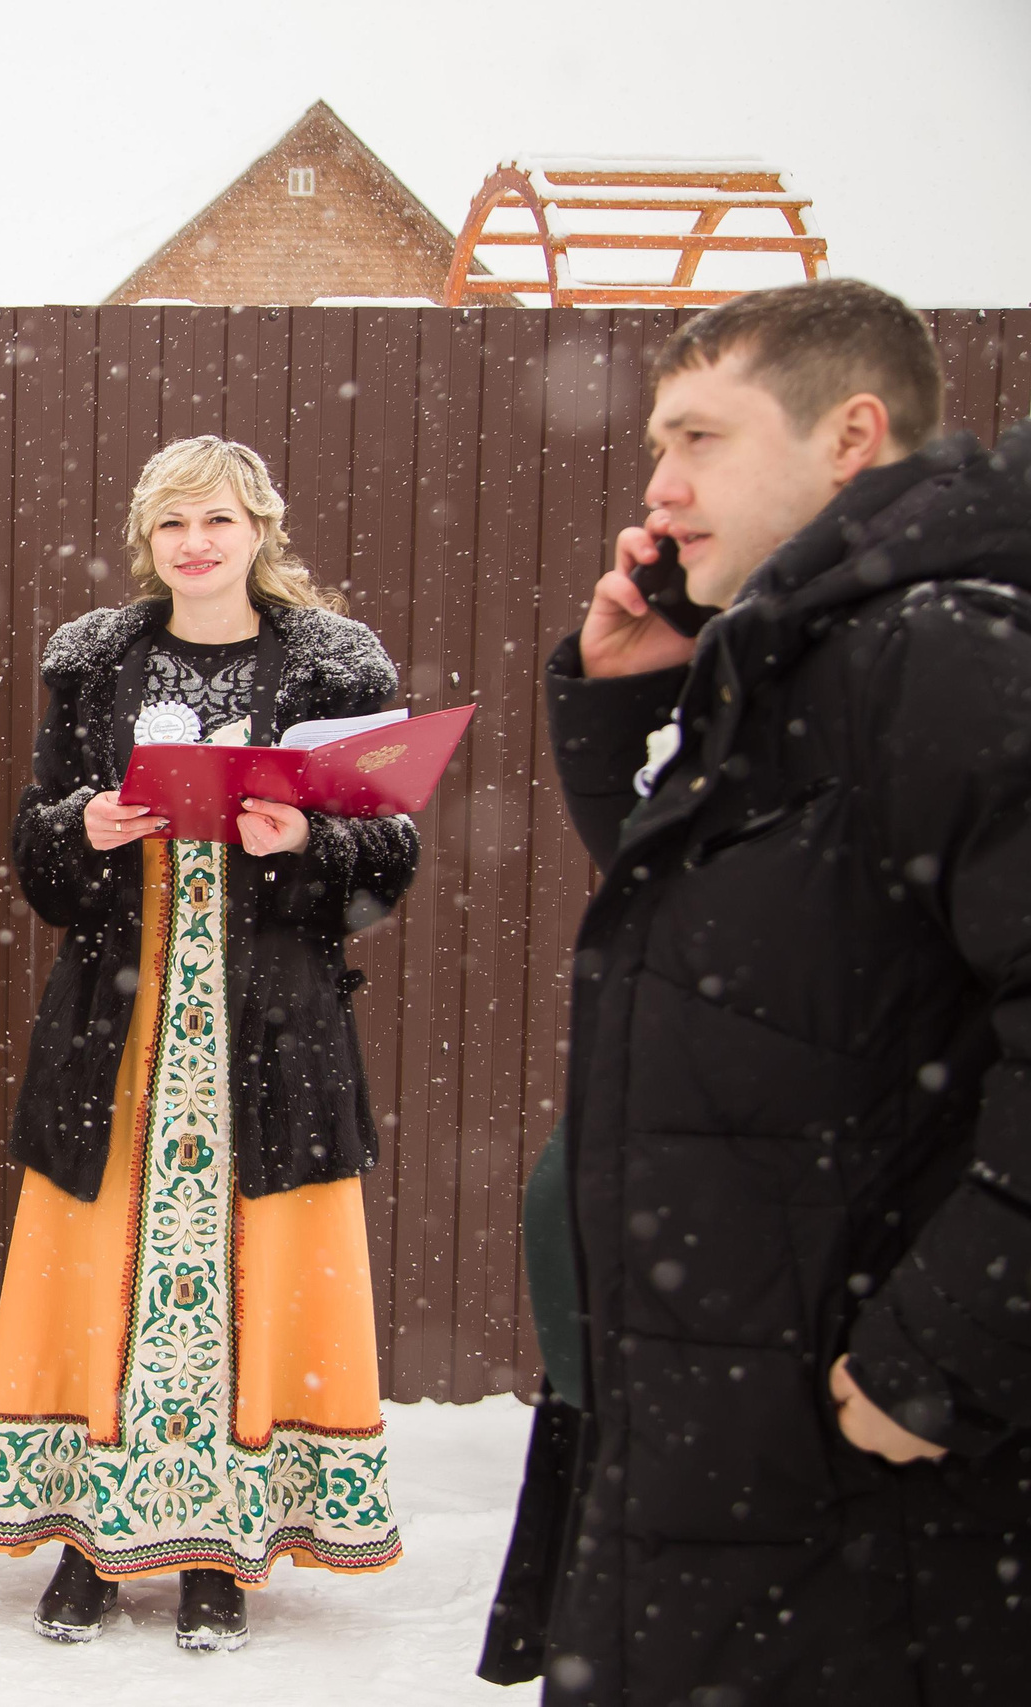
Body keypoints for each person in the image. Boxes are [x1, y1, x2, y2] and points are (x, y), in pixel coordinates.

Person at [480, 279, 1031, 1702]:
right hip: (735, 1449)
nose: (661, 486)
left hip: (870, 1494)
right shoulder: (796, 661)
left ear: (852, 436)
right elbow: (745, 974)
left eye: (701, 438)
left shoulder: (950, 660)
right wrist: (626, 706)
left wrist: (942, 1358)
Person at [0, 436, 416, 1651]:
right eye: (172, 526)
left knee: (247, 1290)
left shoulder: (332, 663)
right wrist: (86, 825)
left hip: (269, 1035)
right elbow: (34, 860)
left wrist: (303, 844)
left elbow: (391, 859)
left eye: (216, 521)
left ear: (260, 528)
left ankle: (222, 1552)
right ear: (145, 541)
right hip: (121, 1031)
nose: (195, 545)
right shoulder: (94, 663)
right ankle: (91, 1546)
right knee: (97, 1286)